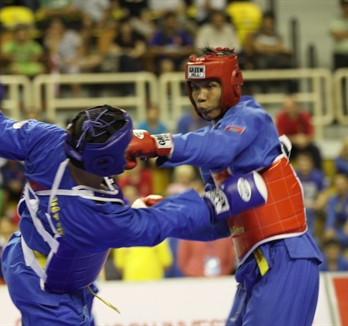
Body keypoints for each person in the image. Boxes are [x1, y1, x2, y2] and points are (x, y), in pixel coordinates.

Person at [0, 69, 269, 325]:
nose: (133, 144)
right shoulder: (97, 217)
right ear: (105, 163)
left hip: (54, 259)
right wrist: (220, 202)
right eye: (125, 144)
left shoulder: (49, 139)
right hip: (45, 286)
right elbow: (161, 222)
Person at [126, 46, 322, 326]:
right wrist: (163, 215)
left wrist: (156, 143)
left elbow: (218, 147)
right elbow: (219, 222)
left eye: (210, 86)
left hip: (286, 255)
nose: (201, 95)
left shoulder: (250, 116)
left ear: (232, 84)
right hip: (254, 264)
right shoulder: (211, 154)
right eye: (195, 88)